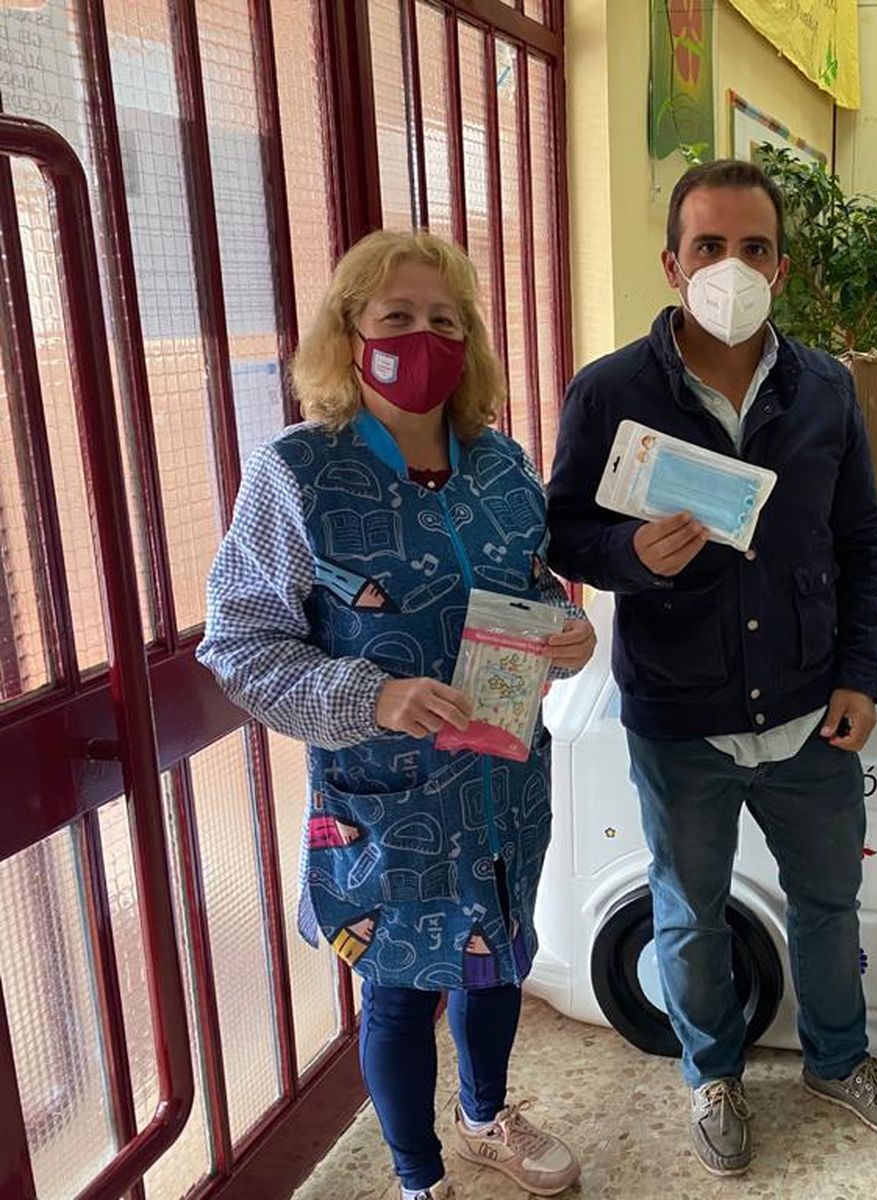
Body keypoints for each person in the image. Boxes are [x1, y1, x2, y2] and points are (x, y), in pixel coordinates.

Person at [545, 159, 877, 1176]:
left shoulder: (825, 389)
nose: (732, 267)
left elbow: (861, 543)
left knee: (828, 904)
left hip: (810, 708)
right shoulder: (610, 391)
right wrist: (629, 555)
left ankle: (838, 1061)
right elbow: (565, 532)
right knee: (689, 911)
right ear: (672, 264)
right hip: (681, 716)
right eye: (709, 246)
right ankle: (710, 1075)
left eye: (754, 248)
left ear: (781, 266)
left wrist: (860, 676)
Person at [198, 231, 595, 1200]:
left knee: (495, 961)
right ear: (351, 333)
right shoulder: (300, 473)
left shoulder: (502, 468)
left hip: (502, 781)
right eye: (398, 317)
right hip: (387, 800)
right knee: (401, 988)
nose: (424, 338)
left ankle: (485, 1118)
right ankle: (420, 1178)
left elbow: (530, 589)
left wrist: (568, 629)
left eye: (445, 321)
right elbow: (240, 645)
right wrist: (370, 696)